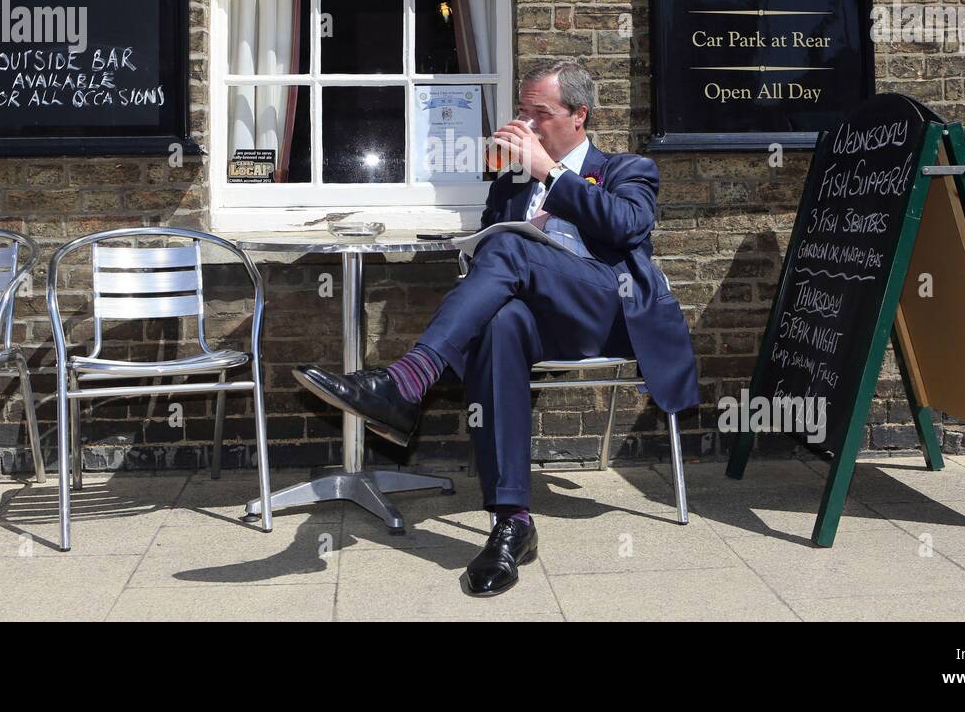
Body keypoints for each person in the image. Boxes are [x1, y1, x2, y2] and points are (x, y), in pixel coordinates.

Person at [294, 59, 699, 597]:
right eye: (522, 112)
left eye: (541, 113)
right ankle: (512, 523)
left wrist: (549, 175)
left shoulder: (628, 168)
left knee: (509, 245)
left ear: (579, 116)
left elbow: (626, 225)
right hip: (539, 319)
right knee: (502, 321)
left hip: (608, 313)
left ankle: (409, 382)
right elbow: (492, 255)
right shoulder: (509, 183)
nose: (526, 125)